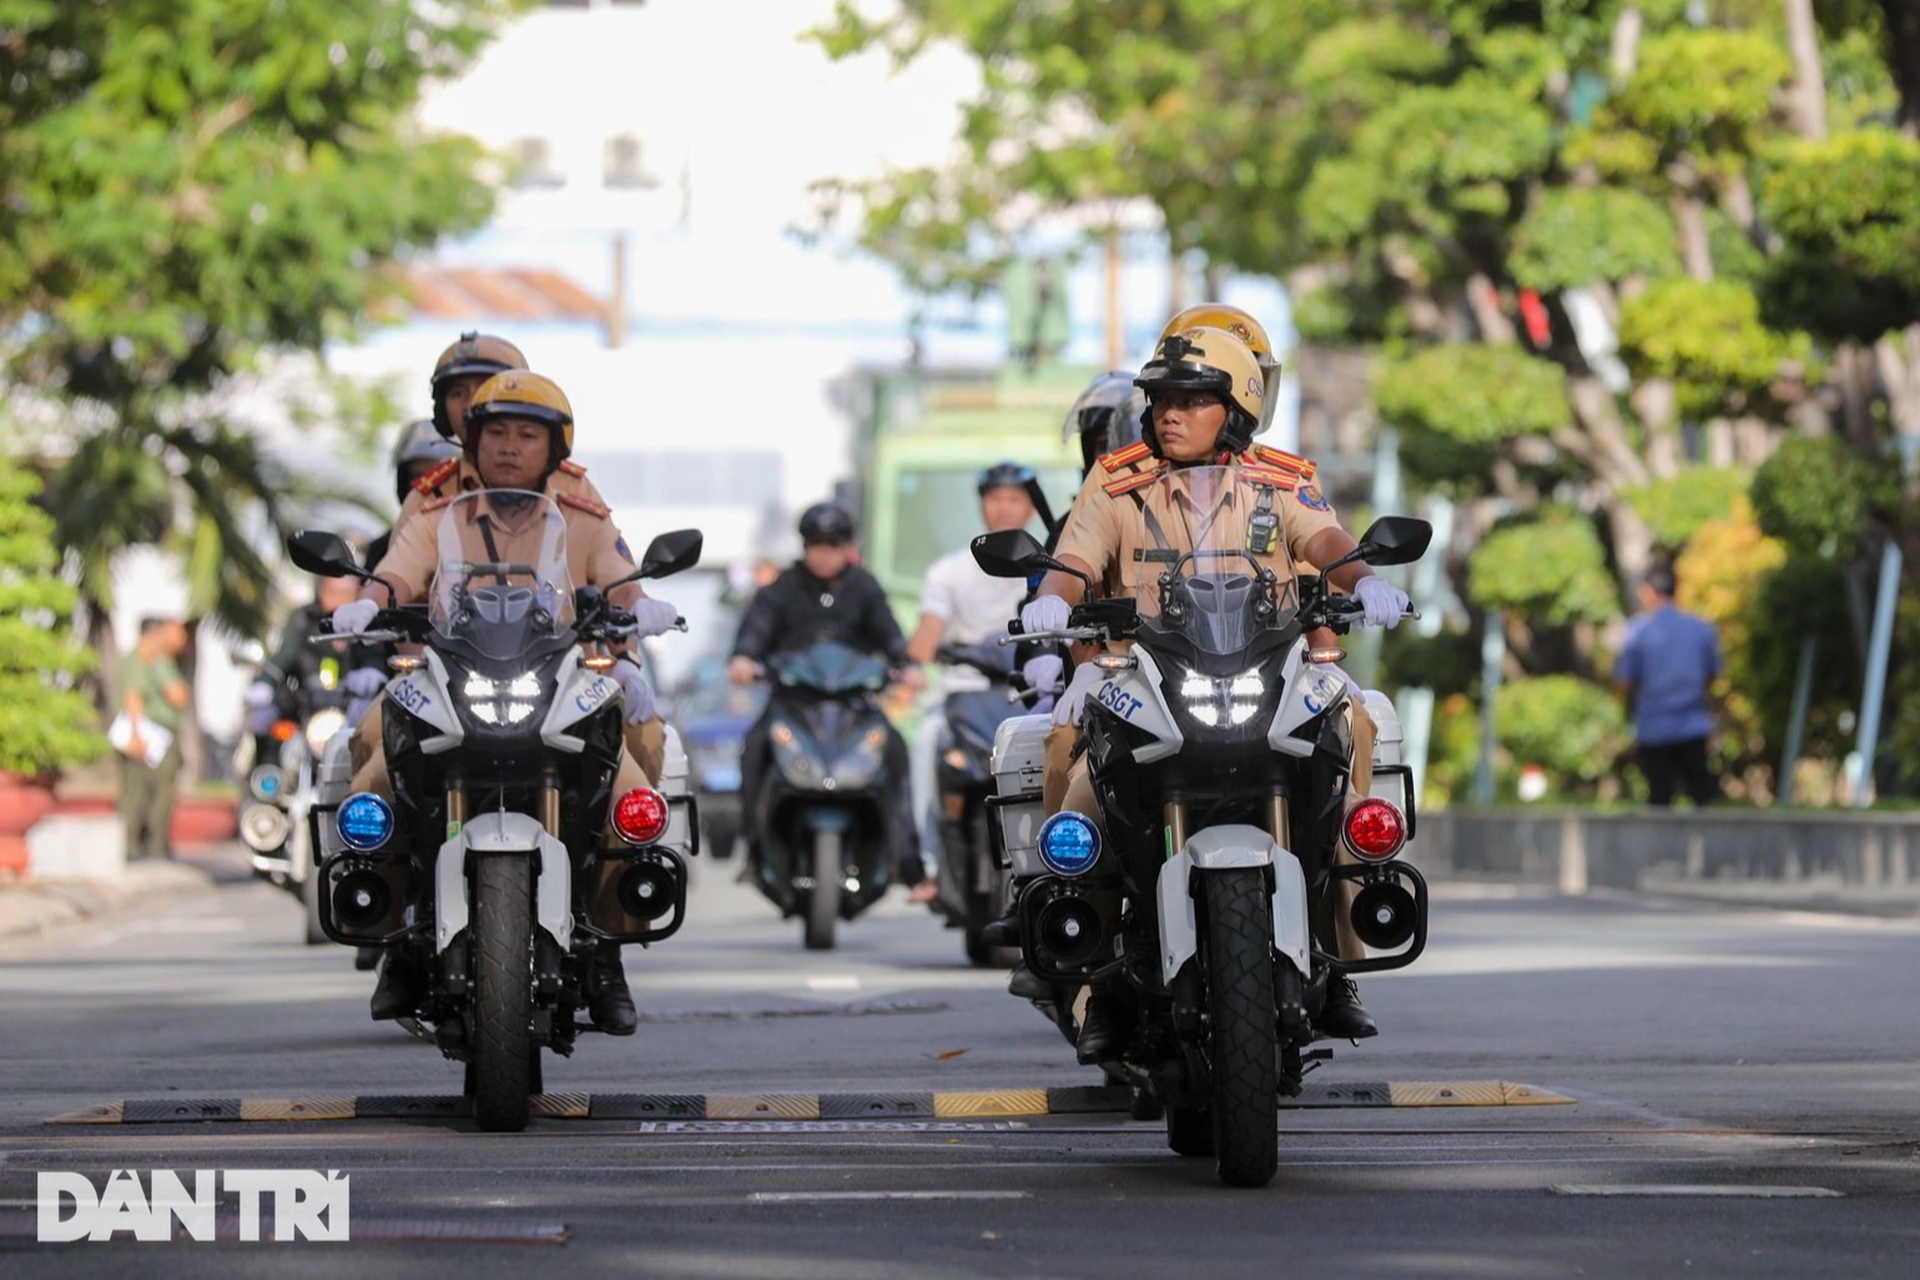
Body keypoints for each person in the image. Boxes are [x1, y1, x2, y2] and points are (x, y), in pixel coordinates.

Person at [1021, 326, 1409, 1058]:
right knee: (1073, 776)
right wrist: (1053, 597)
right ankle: (1091, 977)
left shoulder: (1278, 477)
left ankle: (1339, 952)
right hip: (1137, 672)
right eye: (1163, 399)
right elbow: (1074, 557)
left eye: (1191, 400)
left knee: (1352, 728)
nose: (1170, 412)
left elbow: (1324, 539)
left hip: (1259, 665)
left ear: (1232, 409)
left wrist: (1366, 578)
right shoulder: (1116, 478)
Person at [332, 371, 674, 1033]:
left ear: (553, 449)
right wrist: (366, 605)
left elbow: (620, 577)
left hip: (558, 674)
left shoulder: (580, 513)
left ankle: (606, 951)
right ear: (471, 440)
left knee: (629, 792)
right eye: (497, 433)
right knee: (372, 763)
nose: (511, 448)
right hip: (450, 673)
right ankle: (397, 936)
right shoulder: (436, 512)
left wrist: (642, 606)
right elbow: (397, 572)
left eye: (527, 435)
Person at [729, 502, 924, 888]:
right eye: (816, 544)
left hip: (855, 706)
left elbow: (890, 634)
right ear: (803, 546)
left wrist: (908, 665)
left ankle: (906, 857)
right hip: (793, 704)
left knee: (897, 751)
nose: (824, 553)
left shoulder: (865, 587)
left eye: (833, 544)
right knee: (754, 748)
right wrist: (744, 658)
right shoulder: (781, 589)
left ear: (847, 546)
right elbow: (754, 632)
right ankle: (753, 848)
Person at [903, 463, 1039, 901]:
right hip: (964, 694)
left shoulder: (1044, 565)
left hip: (1031, 693)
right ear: (982, 504)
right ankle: (929, 865)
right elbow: (929, 629)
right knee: (925, 741)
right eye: (996, 498)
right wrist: (914, 664)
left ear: (1031, 508)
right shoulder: (950, 570)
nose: (1004, 508)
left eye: (1015, 498)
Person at [1616, 564, 1723, 807]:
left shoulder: (1638, 632)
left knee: (1659, 798)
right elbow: (1714, 674)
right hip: (1693, 724)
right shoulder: (1701, 628)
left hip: (1654, 726)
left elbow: (1624, 680)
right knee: (1703, 797)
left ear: (1648, 592)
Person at [116, 617, 191, 860]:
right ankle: (146, 847)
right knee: (145, 793)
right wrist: (136, 735)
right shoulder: (147, 659)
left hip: (155, 733)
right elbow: (134, 697)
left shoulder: (153, 659)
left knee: (146, 791)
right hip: (150, 734)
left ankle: (146, 846)